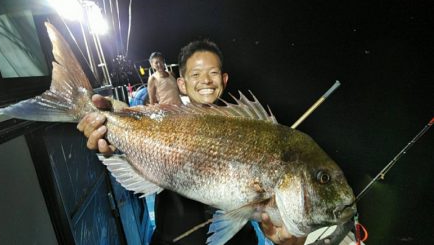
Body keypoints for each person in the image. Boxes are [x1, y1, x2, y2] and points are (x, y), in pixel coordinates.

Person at [77, 41, 305, 245]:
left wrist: (286, 238)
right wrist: (109, 122)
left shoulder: (248, 126)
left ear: (224, 80)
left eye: (213, 73)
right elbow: (141, 122)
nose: (205, 80)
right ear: (182, 84)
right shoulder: (168, 121)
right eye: (195, 74)